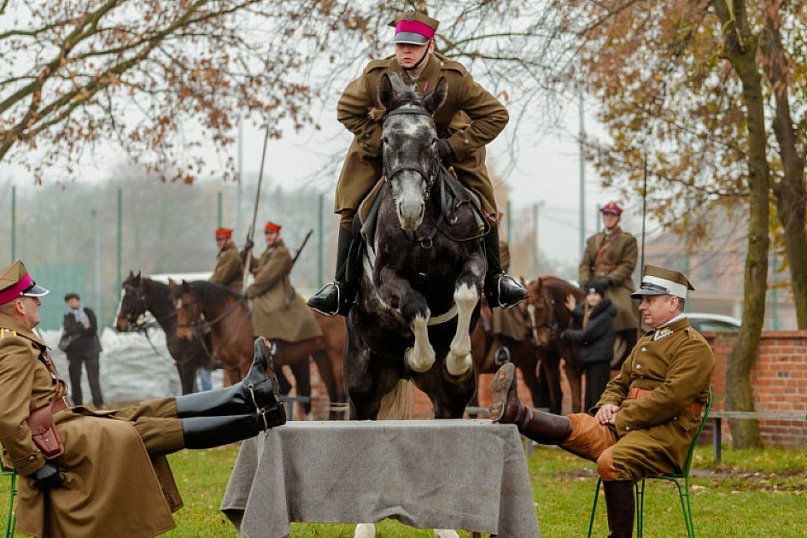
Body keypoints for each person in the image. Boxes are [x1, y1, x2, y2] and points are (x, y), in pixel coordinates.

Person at [0, 260, 285, 538]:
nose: (39, 302)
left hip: (60, 425)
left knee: (148, 409)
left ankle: (246, 393)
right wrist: (35, 465)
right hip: (52, 438)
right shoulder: (13, 343)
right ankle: (256, 420)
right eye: (33, 298)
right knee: (138, 432)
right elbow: (6, 417)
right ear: (20, 306)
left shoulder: (18, 338)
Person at [307, 8, 527, 317]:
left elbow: (496, 115)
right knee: (353, 209)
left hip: (443, 148)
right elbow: (346, 109)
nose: (406, 52)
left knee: (483, 206)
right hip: (391, 149)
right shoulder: (377, 75)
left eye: (413, 46)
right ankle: (342, 287)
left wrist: (452, 146)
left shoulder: (454, 77)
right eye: (401, 45)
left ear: (430, 46)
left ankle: (496, 280)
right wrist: (382, 142)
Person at [490, 264, 714, 538]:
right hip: (627, 429)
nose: (642, 307)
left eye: (649, 300)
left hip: (664, 439)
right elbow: (619, 383)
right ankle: (516, 413)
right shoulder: (647, 341)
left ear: (673, 302)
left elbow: (672, 398)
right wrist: (607, 404)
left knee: (610, 461)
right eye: (643, 300)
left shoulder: (693, 346)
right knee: (578, 426)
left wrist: (623, 417)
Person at [579, 202, 639, 369]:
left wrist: (610, 280)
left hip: (616, 285)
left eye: (612, 215)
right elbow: (585, 264)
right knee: (576, 307)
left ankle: (629, 351)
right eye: (606, 215)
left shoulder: (627, 240)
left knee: (623, 309)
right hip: (593, 284)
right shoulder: (593, 240)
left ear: (618, 218)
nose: (609, 218)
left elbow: (628, 265)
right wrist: (584, 280)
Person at [247, 221, 322, 347]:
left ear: (277, 235)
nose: (268, 236)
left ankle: (273, 344)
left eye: (271, 233)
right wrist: (247, 252)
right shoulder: (269, 252)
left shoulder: (281, 252)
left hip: (278, 291)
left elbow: (267, 276)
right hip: (267, 289)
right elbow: (257, 266)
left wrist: (250, 290)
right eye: (266, 234)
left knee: (270, 308)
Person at [562, 280, 616, 410]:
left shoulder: (604, 316)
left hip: (599, 360)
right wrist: (575, 310)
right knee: (590, 396)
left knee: (596, 396)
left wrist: (567, 333)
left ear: (601, 296)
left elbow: (586, 334)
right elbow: (587, 320)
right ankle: (590, 418)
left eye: (596, 294)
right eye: (590, 295)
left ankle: (596, 420)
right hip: (593, 359)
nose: (592, 297)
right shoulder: (596, 313)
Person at [61, 292, 104, 408]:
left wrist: (77, 329)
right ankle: (78, 405)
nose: (72, 303)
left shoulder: (88, 312)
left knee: (93, 378)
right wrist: (84, 327)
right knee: (75, 379)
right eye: (69, 301)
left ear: (78, 301)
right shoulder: (68, 316)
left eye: (74, 300)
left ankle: (98, 403)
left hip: (92, 350)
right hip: (74, 353)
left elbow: (93, 329)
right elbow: (69, 329)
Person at [490, 240, 529, 364]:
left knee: (499, 307)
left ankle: (502, 346)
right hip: (471, 282)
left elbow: (501, 265)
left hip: (493, 283)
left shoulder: (499, 245)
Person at [209, 227, 244, 292]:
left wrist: (207, 286)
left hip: (232, 293)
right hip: (226, 292)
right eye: (217, 239)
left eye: (221, 239)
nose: (218, 242)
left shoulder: (232, 255)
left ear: (229, 239)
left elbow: (221, 277)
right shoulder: (224, 254)